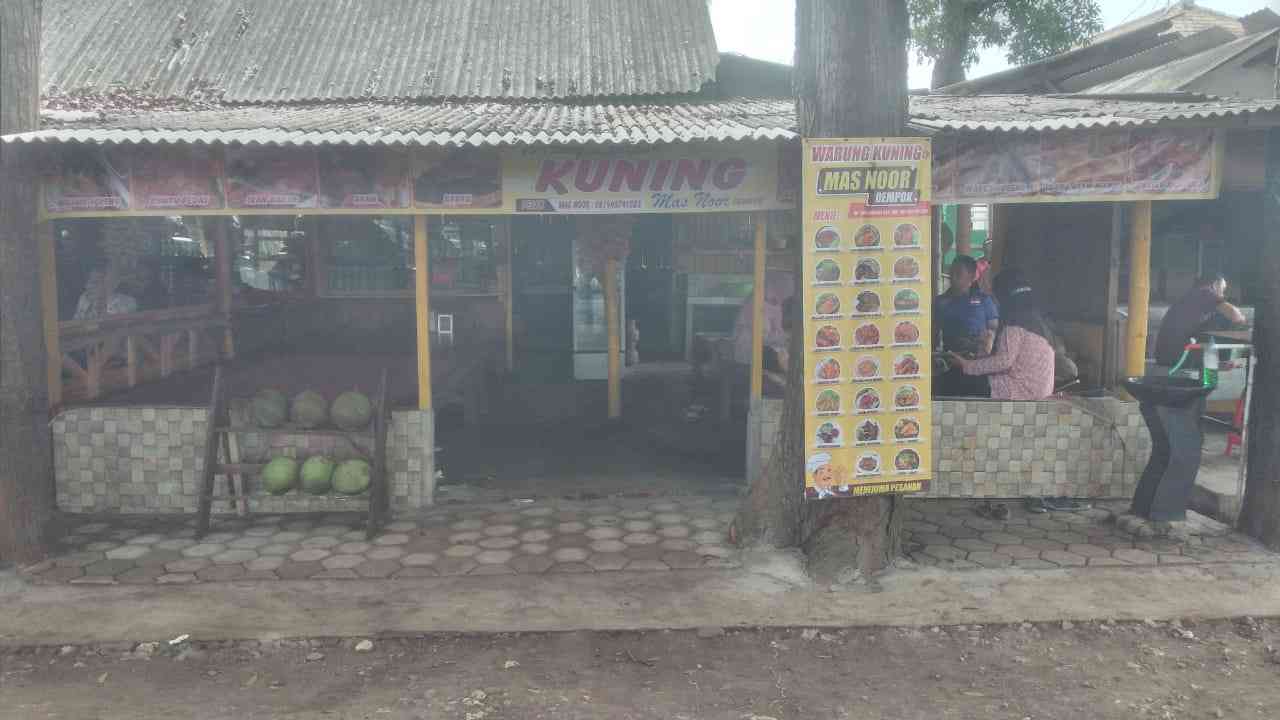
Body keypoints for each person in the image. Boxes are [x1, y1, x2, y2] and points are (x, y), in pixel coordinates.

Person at [948, 269, 1056, 401]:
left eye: (996, 297)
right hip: (1039, 391)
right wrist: (981, 354)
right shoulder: (1037, 323)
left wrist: (967, 365)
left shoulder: (1016, 322)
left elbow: (1004, 361)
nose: (996, 303)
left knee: (953, 381)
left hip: (1020, 390)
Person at [933, 255, 998, 396]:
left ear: (971, 276)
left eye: (958, 273)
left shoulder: (984, 300)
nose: (952, 277)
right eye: (951, 272)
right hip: (951, 364)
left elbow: (994, 329)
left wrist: (987, 341)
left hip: (979, 365)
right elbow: (933, 334)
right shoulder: (940, 302)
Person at [1153, 272, 1247, 368]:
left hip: (1165, 356)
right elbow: (1234, 315)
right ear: (1215, 284)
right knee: (1225, 318)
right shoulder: (1205, 293)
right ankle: (1222, 360)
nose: (1223, 294)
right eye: (1223, 289)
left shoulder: (1192, 295)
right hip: (1176, 356)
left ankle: (1216, 359)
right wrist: (1242, 321)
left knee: (1218, 316)